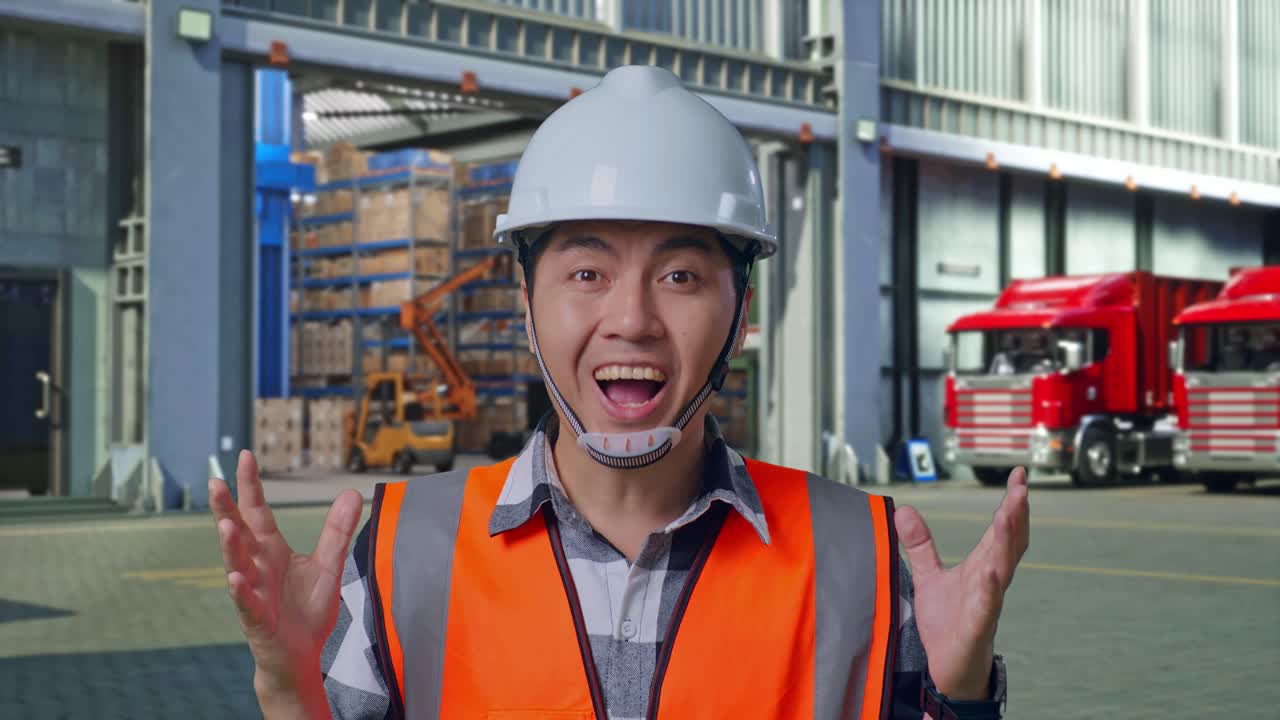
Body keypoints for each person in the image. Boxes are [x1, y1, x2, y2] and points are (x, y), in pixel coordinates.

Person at [210, 65, 1028, 719]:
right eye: (587, 273)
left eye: (679, 275)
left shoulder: (867, 560)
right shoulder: (397, 556)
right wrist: (290, 691)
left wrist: (960, 700)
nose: (631, 319)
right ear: (526, 304)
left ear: (741, 311)